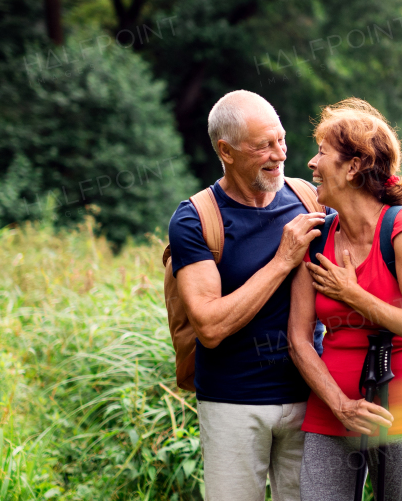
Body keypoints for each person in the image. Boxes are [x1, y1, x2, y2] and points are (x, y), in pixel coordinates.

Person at [167, 90, 327, 501]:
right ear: (226, 150)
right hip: (231, 403)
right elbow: (210, 326)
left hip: (311, 397)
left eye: (281, 140)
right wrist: (281, 261)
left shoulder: (310, 200)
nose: (279, 154)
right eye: (263, 146)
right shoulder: (196, 218)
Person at [286, 98, 402, 501]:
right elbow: (299, 339)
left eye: (321, 153)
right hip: (330, 406)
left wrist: (350, 294)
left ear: (353, 167)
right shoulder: (317, 238)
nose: (311, 164)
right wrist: (339, 405)